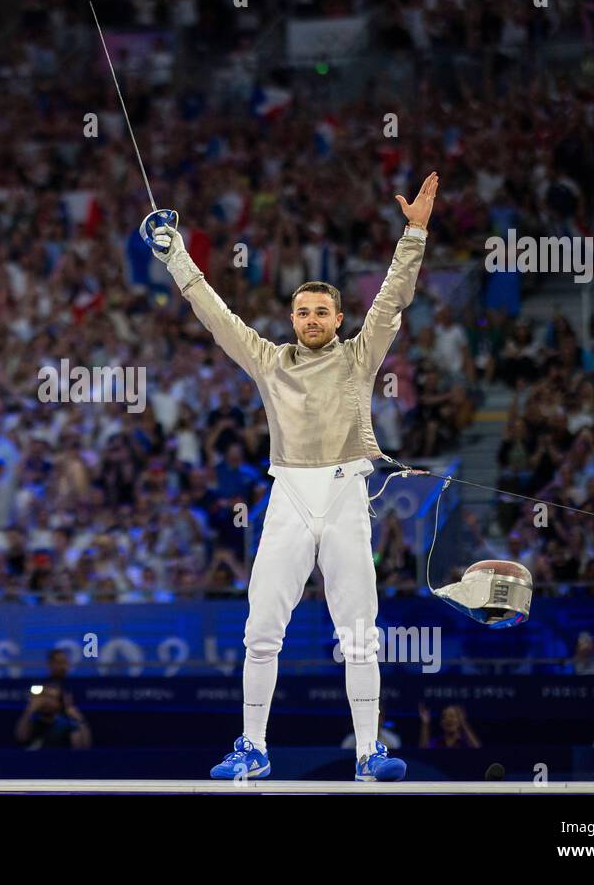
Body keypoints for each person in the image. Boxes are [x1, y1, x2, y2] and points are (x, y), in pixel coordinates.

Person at [151, 172, 440, 781]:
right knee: (262, 629)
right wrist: (175, 253)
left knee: (359, 632)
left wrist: (414, 231)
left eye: (321, 311)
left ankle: (368, 753)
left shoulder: (361, 358)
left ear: (337, 317)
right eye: (302, 311)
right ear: (292, 317)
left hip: (343, 497)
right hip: (287, 496)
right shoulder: (268, 360)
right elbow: (213, 311)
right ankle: (252, 747)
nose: (310, 319)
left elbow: (393, 298)